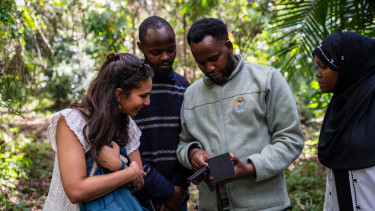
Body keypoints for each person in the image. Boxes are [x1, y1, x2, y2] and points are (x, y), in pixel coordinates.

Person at [176, 18, 305, 211]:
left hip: (266, 206)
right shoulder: (191, 95)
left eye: (214, 58)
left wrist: (250, 168)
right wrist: (193, 153)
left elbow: (290, 139)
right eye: (201, 63)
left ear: (229, 46)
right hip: (212, 206)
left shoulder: (266, 80)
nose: (209, 68)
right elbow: (184, 143)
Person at [43, 53, 153, 210]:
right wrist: (128, 173)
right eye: (143, 95)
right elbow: (76, 190)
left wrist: (118, 166)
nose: (148, 102)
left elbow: (139, 179)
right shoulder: (72, 122)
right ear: (119, 94)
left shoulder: (127, 124)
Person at [312, 30, 375, 211]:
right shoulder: (341, 104)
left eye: (324, 66)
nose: (318, 74)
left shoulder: (370, 100)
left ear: (347, 65)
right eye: (317, 66)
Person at [133, 16, 191, 211]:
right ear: (141, 48)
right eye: (156, 52)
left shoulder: (184, 87)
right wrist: (165, 191)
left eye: (170, 49)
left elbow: (190, 140)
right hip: (138, 195)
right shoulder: (129, 88)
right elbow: (128, 147)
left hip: (177, 197)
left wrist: (178, 189)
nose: (165, 57)